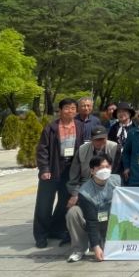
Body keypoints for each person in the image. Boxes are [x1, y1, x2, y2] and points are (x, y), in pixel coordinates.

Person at [33, 98, 84, 248]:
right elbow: (42, 150)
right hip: (53, 168)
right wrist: (44, 169)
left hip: (70, 170)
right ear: (60, 110)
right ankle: (41, 236)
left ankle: (55, 230)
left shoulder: (79, 126)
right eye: (67, 108)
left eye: (73, 108)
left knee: (64, 202)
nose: (70, 111)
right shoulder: (51, 128)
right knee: (44, 204)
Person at [65, 154, 120, 262]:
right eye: (100, 168)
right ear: (92, 171)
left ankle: (101, 241)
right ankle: (79, 249)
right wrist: (96, 246)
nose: (104, 170)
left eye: (107, 167)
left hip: (112, 223)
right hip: (95, 222)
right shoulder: (85, 191)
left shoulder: (118, 181)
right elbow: (91, 221)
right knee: (73, 212)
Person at [67, 126, 120, 230]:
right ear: (91, 140)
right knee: (73, 211)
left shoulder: (115, 148)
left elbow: (117, 174)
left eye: (102, 139)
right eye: (97, 140)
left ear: (107, 137)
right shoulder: (82, 150)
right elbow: (74, 177)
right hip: (85, 188)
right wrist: (75, 194)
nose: (100, 142)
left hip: (108, 186)